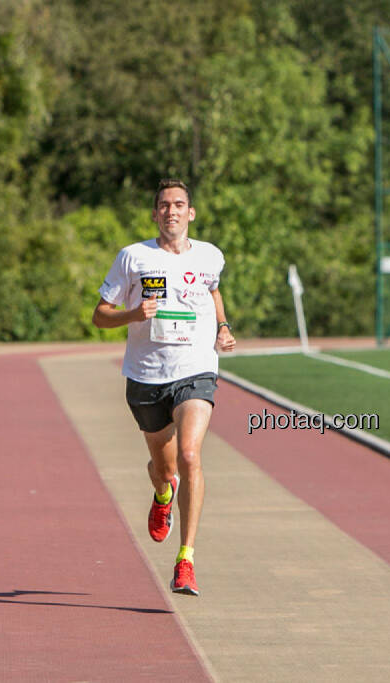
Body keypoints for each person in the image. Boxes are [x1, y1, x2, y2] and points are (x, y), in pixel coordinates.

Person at [92, 179, 236, 596]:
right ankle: (161, 492)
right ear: (155, 214)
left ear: (191, 213)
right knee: (166, 468)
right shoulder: (133, 258)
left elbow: (212, 290)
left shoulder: (210, 255)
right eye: (163, 205)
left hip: (196, 368)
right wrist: (133, 313)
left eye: (179, 205)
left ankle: (185, 559)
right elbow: (100, 315)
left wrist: (223, 326)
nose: (171, 211)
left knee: (190, 454)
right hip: (146, 375)